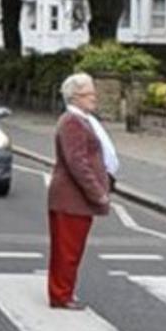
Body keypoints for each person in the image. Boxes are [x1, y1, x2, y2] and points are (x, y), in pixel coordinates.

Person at [47, 73, 117, 311]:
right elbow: (78, 163)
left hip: (73, 199)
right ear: (75, 97)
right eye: (89, 94)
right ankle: (61, 296)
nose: (94, 98)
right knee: (67, 251)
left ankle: (63, 292)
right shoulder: (72, 122)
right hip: (71, 199)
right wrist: (97, 193)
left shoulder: (81, 120)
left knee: (70, 250)